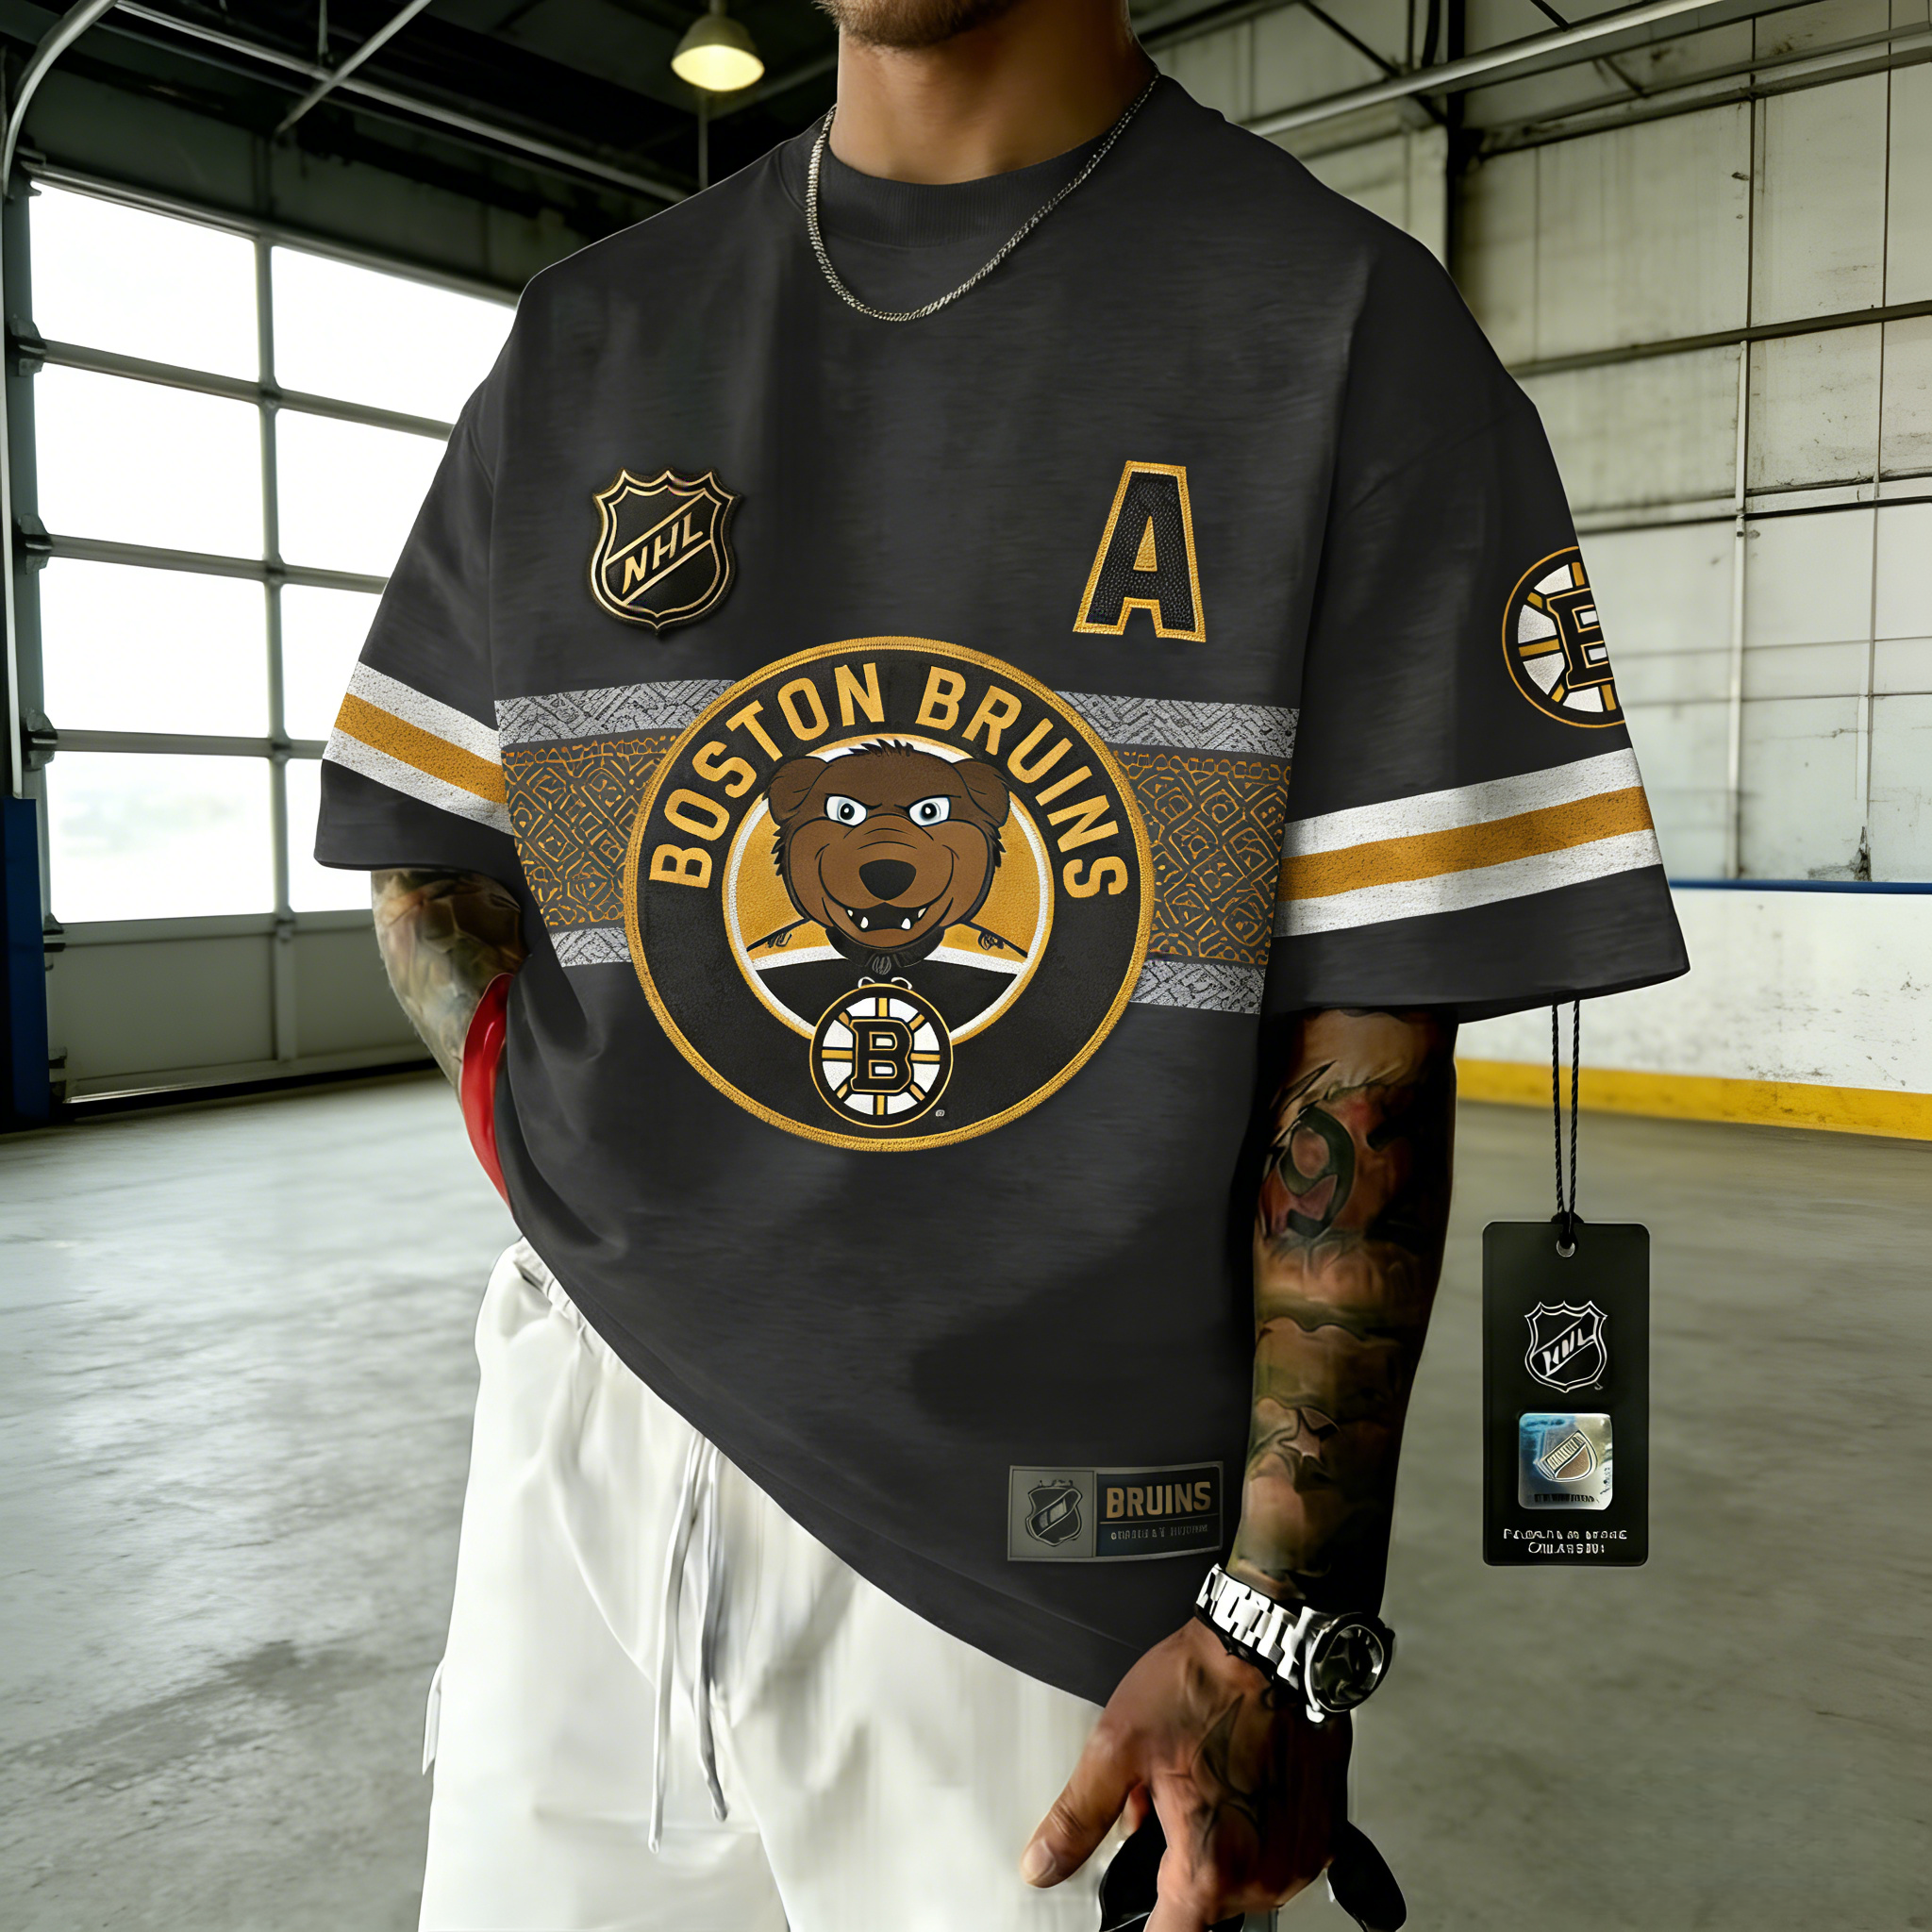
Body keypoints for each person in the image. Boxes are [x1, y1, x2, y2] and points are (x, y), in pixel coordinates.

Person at [317, 0, 1688, 1926]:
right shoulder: (589, 338)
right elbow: (429, 843)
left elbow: (1365, 1047)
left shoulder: (1344, 336)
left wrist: (1280, 1621)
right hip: (585, 1448)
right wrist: (542, 1136)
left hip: (1034, 1580)